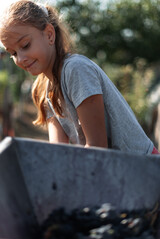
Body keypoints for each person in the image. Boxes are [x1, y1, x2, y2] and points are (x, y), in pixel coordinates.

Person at [0, 0, 159, 155]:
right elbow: (58, 153)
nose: (20, 59)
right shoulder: (45, 90)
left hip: (143, 170)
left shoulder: (76, 70)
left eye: (25, 45)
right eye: (13, 53)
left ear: (49, 34)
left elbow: (97, 148)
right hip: (114, 173)